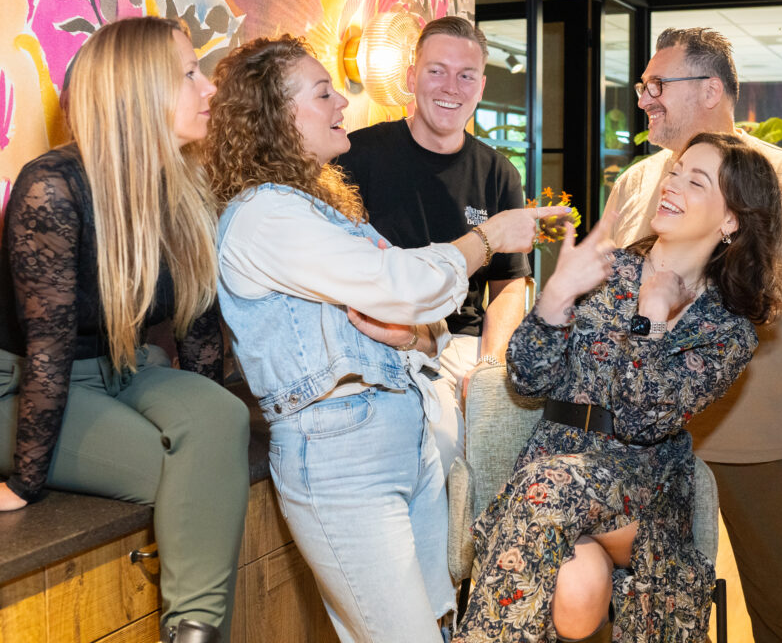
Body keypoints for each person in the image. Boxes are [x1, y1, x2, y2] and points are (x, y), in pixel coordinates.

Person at [203, 35, 568, 643]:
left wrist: (419, 340)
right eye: (323, 93)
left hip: (403, 429)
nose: (342, 101)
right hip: (341, 453)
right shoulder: (266, 216)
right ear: (277, 115)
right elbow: (406, 283)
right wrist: (488, 238)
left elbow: (421, 318)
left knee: (440, 623)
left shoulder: (318, 207)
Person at [0, 17, 250, 643]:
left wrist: (208, 414)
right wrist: (24, 483)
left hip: (126, 368)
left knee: (223, 423)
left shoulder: (185, 181)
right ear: (138, 91)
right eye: (189, 73)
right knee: (198, 476)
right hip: (30, 390)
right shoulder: (52, 186)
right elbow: (46, 348)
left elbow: (199, 325)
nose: (208, 86)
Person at [455, 132, 782, 643]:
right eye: (674, 172)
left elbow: (641, 420)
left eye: (695, 181)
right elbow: (525, 379)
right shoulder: (605, 270)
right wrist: (556, 295)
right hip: (554, 465)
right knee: (575, 595)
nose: (671, 185)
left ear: (731, 220)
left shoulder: (728, 328)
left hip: (643, 492)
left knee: (550, 487)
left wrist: (651, 315)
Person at [605, 27, 782, 642]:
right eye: (643, 86)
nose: (644, 98)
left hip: (757, 444)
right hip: (645, 442)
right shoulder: (637, 183)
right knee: (646, 611)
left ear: (710, 90)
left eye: (658, 84)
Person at [335, 16, 530, 472]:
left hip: (460, 341)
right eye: (436, 70)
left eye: (466, 76)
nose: (451, 88)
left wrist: (489, 368)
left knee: (507, 441)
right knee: (437, 443)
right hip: (377, 335)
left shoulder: (499, 174)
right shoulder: (355, 157)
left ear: (481, 88)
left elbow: (508, 284)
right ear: (410, 77)